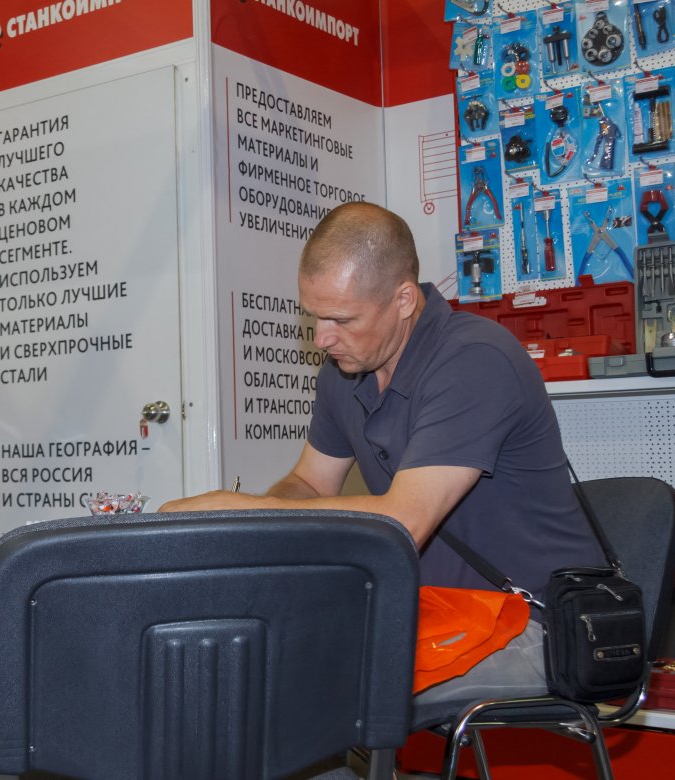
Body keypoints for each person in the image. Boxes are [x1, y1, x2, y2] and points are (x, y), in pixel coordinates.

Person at [161, 201, 601, 712]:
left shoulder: (475, 359)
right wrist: (249, 524)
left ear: (404, 299)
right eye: (315, 317)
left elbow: (402, 522)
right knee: (239, 663)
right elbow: (309, 484)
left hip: (536, 627)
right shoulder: (345, 371)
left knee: (308, 691)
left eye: (341, 319)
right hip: (428, 614)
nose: (322, 339)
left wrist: (242, 510)